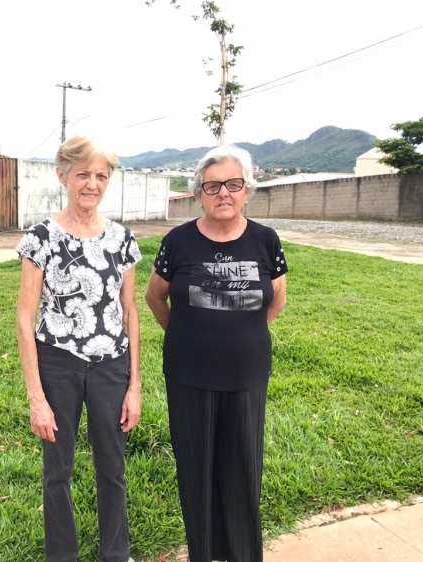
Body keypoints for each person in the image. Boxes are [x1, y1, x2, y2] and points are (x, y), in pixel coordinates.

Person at [145, 145, 287, 562]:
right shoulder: (178, 241)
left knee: (242, 470)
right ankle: (202, 554)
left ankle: (243, 554)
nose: (223, 192)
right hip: (188, 375)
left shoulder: (265, 240)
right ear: (199, 194)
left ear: (247, 191)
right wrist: (188, 334)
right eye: (212, 186)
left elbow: (277, 300)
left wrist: (243, 335)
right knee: (197, 471)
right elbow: (155, 297)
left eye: (233, 184)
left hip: (247, 375)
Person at [16, 135, 142, 562]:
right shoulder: (41, 238)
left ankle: (116, 554)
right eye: (83, 174)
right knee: (58, 471)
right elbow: (24, 319)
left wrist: (135, 385)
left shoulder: (122, 239)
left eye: (101, 176)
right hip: (58, 365)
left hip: (111, 366)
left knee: (113, 469)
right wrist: (36, 398)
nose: (92, 184)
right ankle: (62, 556)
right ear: (63, 176)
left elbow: (130, 312)